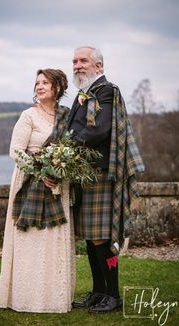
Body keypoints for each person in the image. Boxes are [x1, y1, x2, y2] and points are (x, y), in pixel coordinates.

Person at [68, 46, 144, 313]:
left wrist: (68, 146)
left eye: (83, 60)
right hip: (85, 174)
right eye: (74, 61)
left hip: (101, 173)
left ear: (98, 66)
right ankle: (99, 291)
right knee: (91, 237)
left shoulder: (106, 90)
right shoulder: (83, 95)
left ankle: (113, 295)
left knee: (103, 237)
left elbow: (99, 130)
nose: (77, 65)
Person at [0, 68, 76, 313]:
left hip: (58, 184)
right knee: (29, 239)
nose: (39, 86)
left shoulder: (67, 115)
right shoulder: (28, 115)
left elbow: (74, 148)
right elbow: (16, 151)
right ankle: (25, 296)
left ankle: (54, 296)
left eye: (45, 83)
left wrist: (60, 170)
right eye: (37, 83)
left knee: (54, 240)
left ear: (58, 88)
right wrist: (41, 173)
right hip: (30, 182)